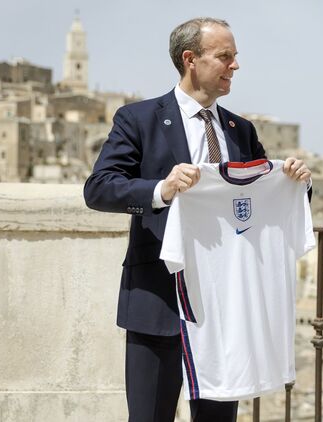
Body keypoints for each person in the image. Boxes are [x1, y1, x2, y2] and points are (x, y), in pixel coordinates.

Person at [84, 17, 311, 422]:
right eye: (225, 56)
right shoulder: (139, 119)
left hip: (225, 309)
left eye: (235, 56)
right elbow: (99, 188)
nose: (235, 65)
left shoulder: (241, 130)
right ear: (190, 59)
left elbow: (261, 198)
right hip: (159, 301)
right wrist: (162, 189)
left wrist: (298, 184)